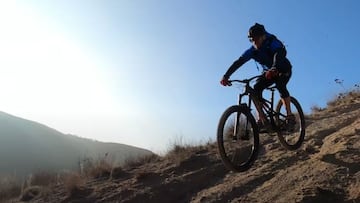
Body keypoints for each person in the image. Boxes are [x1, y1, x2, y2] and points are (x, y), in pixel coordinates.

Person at [220, 23, 295, 130]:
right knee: (256, 88)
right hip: (268, 73)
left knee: (280, 85)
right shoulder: (252, 51)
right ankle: (262, 118)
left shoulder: (272, 42)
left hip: (283, 69)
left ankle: (289, 115)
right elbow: (239, 62)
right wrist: (226, 76)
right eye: (252, 40)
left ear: (263, 36)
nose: (254, 42)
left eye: (256, 39)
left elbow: (279, 54)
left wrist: (274, 68)